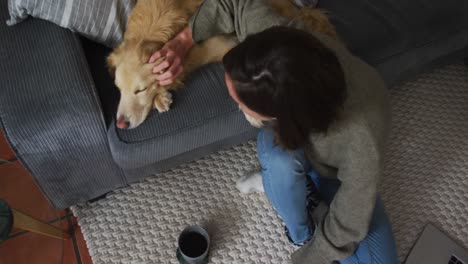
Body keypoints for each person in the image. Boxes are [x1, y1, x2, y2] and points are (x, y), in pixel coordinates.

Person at [149, 0, 398, 263]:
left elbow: (348, 226)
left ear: (278, 113)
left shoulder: (362, 137)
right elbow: (234, 3)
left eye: (240, 103)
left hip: (336, 171)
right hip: (295, 144)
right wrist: (183, 41)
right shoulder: (275, 41)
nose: (237, 105)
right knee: (279, 161)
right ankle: (298, 227)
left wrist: (305, 260)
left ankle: (303, 190)